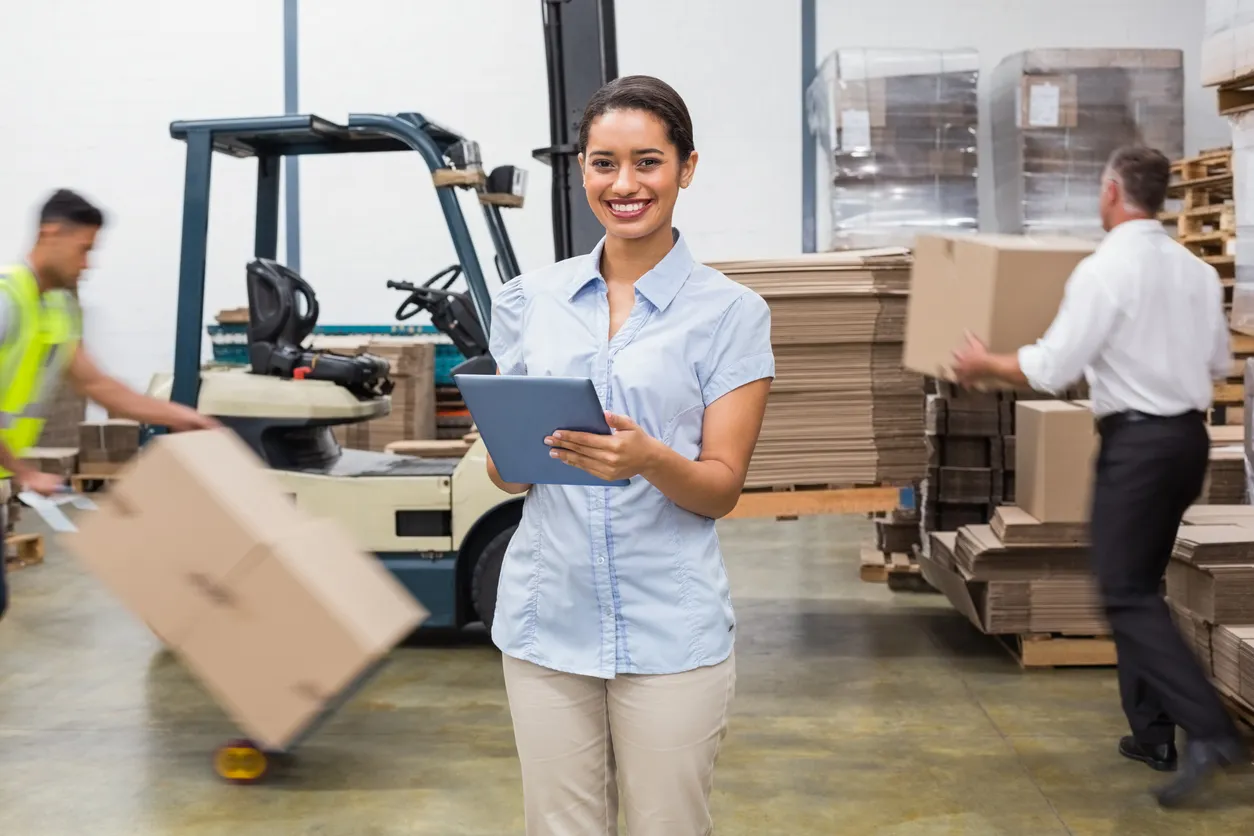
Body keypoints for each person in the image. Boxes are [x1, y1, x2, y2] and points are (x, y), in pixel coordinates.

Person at [484, 75, 774, 835]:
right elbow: (507, 474)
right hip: (547, 621)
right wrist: (509, 450)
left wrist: (648, 459)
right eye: (604, 163)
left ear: (686, 167)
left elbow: (720, 489)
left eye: (648, 162)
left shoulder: (731, 314)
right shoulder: (530, 301)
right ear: (581, 170)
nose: (624, 185)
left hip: (669, 630)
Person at [951, 145, 1248, 807]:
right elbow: (1218, 362)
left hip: (1138, 447)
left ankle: (1208, 730)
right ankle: (1152, 734)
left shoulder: (1105, 269)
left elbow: (1055, 366)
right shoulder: (1198, 272)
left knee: (1124, 592)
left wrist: (984, 363)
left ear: (1112, 191)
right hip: (1187, 441)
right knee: (1141, 583)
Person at [0, 189, 219, 621]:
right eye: (83, 249)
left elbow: (96, 383)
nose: (88, 263)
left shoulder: (58, 306)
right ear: (50, 233)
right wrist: (25, 472)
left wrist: (182, 416)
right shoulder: (8, 299)